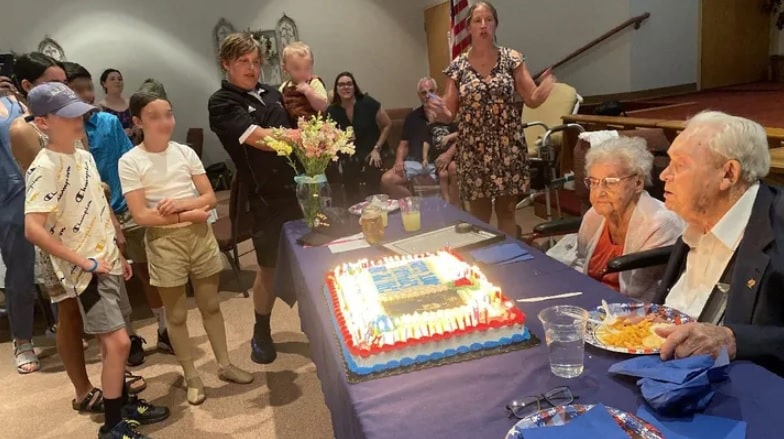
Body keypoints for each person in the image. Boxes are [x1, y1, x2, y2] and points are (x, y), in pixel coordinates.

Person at [24, 82, 168, 439]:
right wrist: (83, 262)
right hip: (85, 270)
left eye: (78, 112)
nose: (78, 119)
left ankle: (124, 407)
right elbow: (33, 228)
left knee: (118, 339)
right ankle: (112, 424)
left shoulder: (82, 156)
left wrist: (117, 248)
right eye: (67, 115)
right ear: (42, 123)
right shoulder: (44, 167)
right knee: (117, 342)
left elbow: (98, 205)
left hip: (108, 261)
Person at [120, 91, 253, 404]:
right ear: (138, 121)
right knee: (177, 314)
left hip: (199, 237)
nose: (165, 122)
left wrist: (182, 206)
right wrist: (189, 213)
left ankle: (224, 364)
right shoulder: (130, 161)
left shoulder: (184, 153)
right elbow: (142, 215)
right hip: (165, 244)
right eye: (155, 116)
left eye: (169, 113)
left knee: (211, 305)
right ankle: (191, 376)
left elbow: (208, 196)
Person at [651, 111, 784, 376]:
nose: (664, 174)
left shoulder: (778, 227)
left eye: (680, 164)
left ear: (728, 174)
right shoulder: (698, 217)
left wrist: (735, 340)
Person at [64, 61, 173, 363]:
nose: (85, 95)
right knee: (112, 284)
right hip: (92, 221)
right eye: (77, 90)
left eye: (88, 89)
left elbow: (129, 162)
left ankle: (164, 329)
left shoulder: (108, 124)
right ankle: (131, 335)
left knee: (146, 271)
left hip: (126, 208)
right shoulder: (65, 134)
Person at [208, 32, 302, 364]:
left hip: (299, 189)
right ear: (227, 64)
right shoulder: (222, 103)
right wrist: (298, 137)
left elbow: (296, 124)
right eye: (243, 62)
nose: (252, 68)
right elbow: (259, 139)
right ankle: (261, 330)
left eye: (256, 62)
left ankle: (316, 324)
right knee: (269, 269)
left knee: (311, 260)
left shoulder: (273, 93)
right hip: (264, 196)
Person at [427, 1, 556, 236]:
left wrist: (547, 86)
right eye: (478, 20)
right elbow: (449, 113)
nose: (483, 25)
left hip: (507, 146)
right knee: (480, 214)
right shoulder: (458, 66)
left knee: (507, 211)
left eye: (489, 20)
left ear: (496, 25)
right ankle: (485, 262)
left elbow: (532, 98)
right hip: (474, 149)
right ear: (469, 27)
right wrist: (438, 110)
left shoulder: (512, 58)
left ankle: (508, 259)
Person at [570, 137, 683, 301]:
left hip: (631, 313)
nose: (599, 192)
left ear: (637, 183)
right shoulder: (594, 215)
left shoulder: (661, 224)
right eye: (594, 182)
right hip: (591, 299)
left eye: (610, 182)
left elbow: (640, 293)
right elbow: (581, 261)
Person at [0, 54, 52, 374]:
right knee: (20, 271)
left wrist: (22, 99)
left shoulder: (26, 104)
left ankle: (63, 323)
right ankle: (22, 339)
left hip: (44, 188)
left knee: (56, 265)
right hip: (9, 196)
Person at [380, 77, 459, 204]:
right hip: (417, 163)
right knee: (387, 179)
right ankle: (415, 205)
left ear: (437, 92)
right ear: (419, 95)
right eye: (423, 92)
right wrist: (399, 161)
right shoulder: (412, 117)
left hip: (444, 162)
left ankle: (455, 211)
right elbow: (403, 144)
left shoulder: (448, 114)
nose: (428, 95)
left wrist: (448, 155)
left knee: (455, 168)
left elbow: (461, 138)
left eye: (431, 91)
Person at [326, 72, 392, 204]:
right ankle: (355, 216)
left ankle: (377, 211)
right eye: (341, 85)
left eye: (349, 84)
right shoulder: (332, 111)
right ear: (336, 89)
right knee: (348, 176)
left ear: (354, 86)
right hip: (349, 156)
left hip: (372, 151)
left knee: (371, 169)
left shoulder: (367, 103)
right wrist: (340, 140)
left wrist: (377, 148)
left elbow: (387, 124)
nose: (346, 87)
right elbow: (329, 138)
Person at [278, 41, 328, 123]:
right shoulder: (284, 87)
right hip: (294, 129)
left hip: (316, 127)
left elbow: (323, 106)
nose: (303, 73)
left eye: (307, 68)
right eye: (297, 68)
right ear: (285, 68)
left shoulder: (314, 83)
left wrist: (309, 92)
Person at [97, 68, 136, 140]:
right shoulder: (100, 107)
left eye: (120, 79)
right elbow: (101, 133)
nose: (117, 81)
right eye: (112, 79)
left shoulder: (131, 103)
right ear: (104, 84)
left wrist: (133, 130)